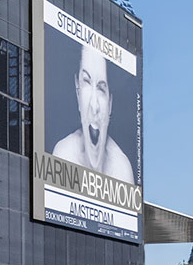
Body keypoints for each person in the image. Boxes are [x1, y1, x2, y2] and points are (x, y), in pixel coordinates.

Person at [52, 44, 134, 181]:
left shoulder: (122, 170)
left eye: (101, 89)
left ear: (110, 104)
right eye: (86, 82)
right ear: (77, 91)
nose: (94, 105)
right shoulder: (63, 156)